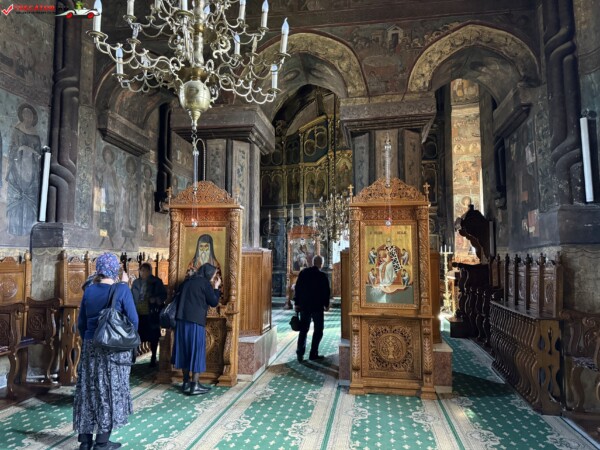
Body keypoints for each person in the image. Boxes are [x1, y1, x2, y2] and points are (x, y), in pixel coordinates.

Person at [73, 253, 139, 450]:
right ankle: (102, 443)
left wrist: (89, 339)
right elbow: (134, 321)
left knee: (88, 391)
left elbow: (81, 323)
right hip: (113, 349)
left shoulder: (89, 290)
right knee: (109, 392)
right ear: (115, 269)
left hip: (90, 347)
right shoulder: (122, 289)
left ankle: (85, 442)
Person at [172, 263, 221, 395]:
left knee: (184, 351)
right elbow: (213, 302)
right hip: (195, 322)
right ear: (209, 274)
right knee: (196, 351)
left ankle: (186, 382)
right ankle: (195, 385)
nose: (214, 278)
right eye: (214, 276)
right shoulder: (204, 283)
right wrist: (216, 288)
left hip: (181, 321)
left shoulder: (187, 282)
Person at [294, 255, 330, 362]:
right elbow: (326, 291)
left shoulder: (304, 273)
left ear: (313, 262)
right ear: (321, 264)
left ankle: (300, 354)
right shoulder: (322, 276)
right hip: (317, 307)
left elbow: (298, 288)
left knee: (303, 330)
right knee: (318, 330)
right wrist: (326, 304)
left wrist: (296, 303)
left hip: (304, 306)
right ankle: (313, 353)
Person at [131, 262, 167, 367]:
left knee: (153, 337)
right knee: (137, 335)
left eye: (144, 271)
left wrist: (156, 299)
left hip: (151, 313)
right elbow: (133, 296)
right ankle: (133, 357)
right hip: (139, 313)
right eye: (141, 271)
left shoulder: (156, 282)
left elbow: (163, 295)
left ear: (149, 271)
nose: (142, 273)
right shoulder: (136, 283)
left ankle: (153, 357)